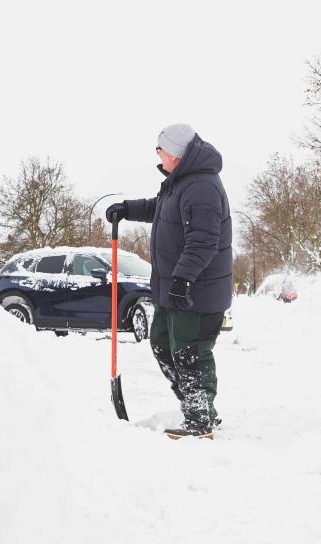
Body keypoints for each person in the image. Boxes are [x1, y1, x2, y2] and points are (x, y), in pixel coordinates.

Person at [105, 124, 232, 438]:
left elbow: (203, 240)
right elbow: (160, 210)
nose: (158, 155)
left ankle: (200, 417)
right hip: (174, 289)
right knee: (162, 344)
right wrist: (128, 209)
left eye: (160, 149)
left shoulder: (201, 187)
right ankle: (194, 404)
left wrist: (184, 279)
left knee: (190, 351)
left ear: (175, 152)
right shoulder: (180, 183)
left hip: (195, 291)